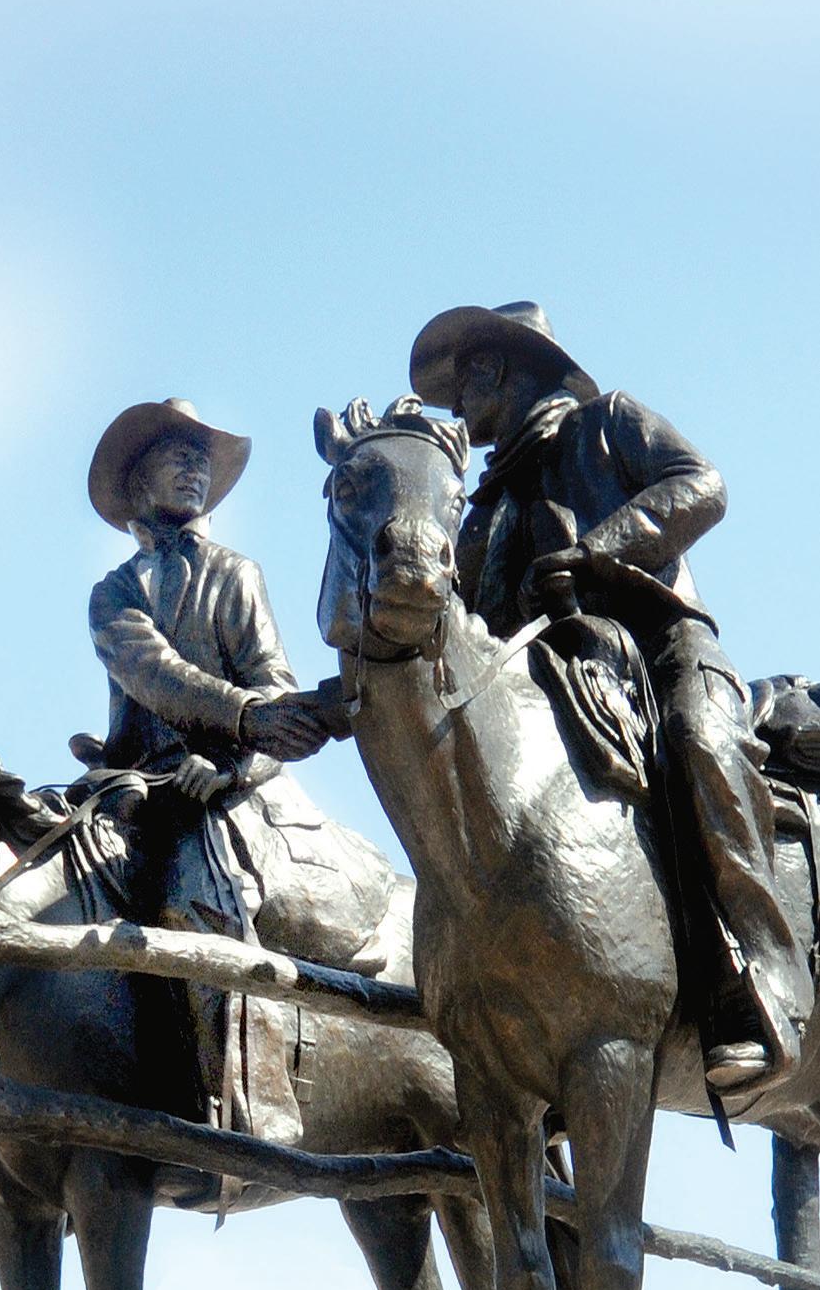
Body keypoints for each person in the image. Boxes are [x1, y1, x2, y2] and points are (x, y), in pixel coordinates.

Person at [410, 299, 813, 1097]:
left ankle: (765, 976)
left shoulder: (608, 422)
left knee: (697, 739)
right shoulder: (482, 509)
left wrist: (598, 550)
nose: (456, 404)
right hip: (548, 677)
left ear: (501, 368)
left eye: (465, 382)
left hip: (658, 644)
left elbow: (702, 485)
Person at [84, 395, 336, 1147]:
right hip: (134, 787)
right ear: (139, 482)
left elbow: (275, 687)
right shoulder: (113, 594)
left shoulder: (237, 575)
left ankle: (248, 1115)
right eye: (177, 455)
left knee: (197, 899)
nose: (194, 469)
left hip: (225, 789)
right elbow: (151, 671)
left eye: (202, 459)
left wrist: (231, 762)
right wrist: (247, 716)